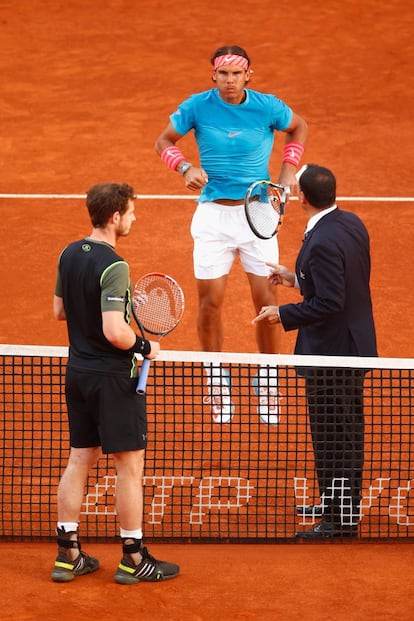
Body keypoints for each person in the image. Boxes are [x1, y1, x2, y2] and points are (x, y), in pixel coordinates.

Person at [155, 45, 308, 425]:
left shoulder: (267, 106)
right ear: (214, 77)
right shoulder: (196, 106)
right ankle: (215, 376)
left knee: (266, 301)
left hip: (258, 213)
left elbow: (299, 126)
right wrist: (184, 166)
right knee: (210, 303)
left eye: (235, 74)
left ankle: (268, 378)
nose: (228, 81)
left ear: (247, 76)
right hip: (212, 218)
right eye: (222, 74)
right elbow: (163, 142)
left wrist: (289, 170)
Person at [51, 182, 180, 583]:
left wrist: (116, 309)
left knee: (78, 460)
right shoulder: (115, 265)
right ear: (114, 217)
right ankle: (133, 556)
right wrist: (145, 345)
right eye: (131, 212)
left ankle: (68, 553)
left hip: (78, 374)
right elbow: (114, 332)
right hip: (112, 379)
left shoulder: (68, 253)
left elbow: (60, 311)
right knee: (130, 467)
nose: (134, 217)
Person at [252, 164, 377, 538]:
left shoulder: (321, 240)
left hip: (333, 355)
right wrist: (295, 279)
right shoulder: (349, 222)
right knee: (341, 431)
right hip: (350, 345)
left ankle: (340, 520)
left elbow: (331, 302)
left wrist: (283, 313)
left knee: (335, 435)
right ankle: (335, 499)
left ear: (302, 198)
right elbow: (342, 281)